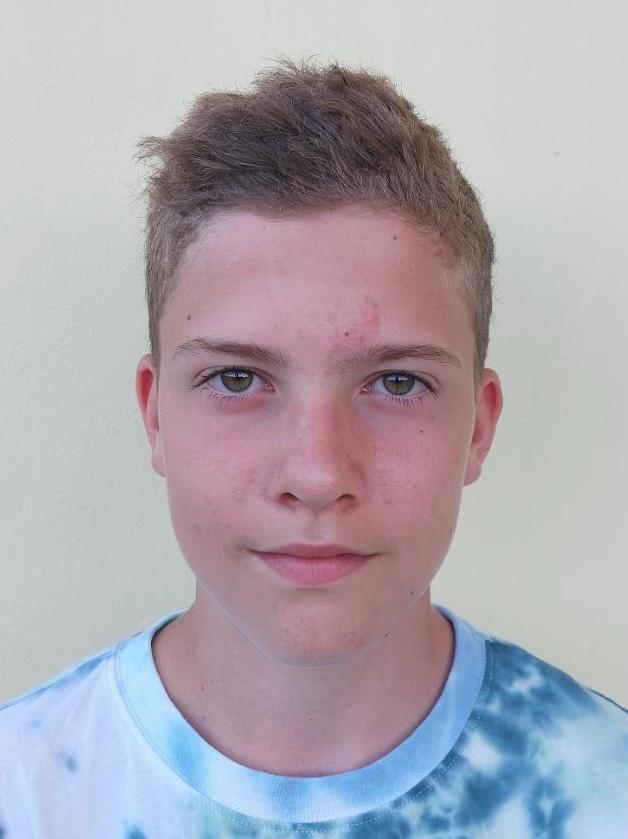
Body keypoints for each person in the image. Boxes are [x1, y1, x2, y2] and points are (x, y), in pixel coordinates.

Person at [1, 58, 626, 839]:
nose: (318, 472)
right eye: (237, 378)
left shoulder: (605, 793)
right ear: (156, 414)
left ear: (478, 426)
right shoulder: (23, 794)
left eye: (397, 382)